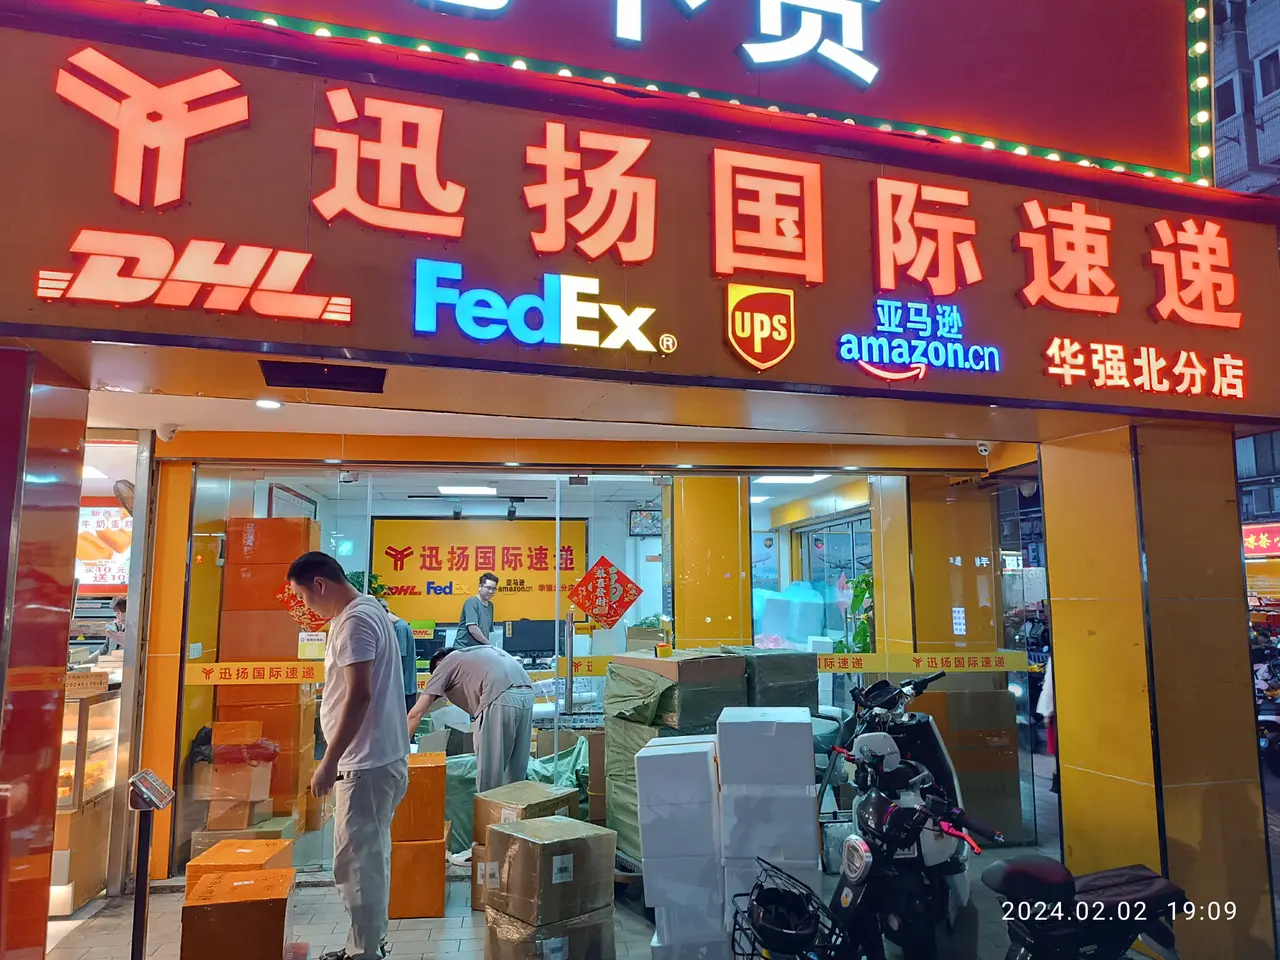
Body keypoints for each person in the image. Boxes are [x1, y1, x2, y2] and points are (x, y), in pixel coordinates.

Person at [288, 552, 409, 960]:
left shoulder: (356, 621)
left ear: (320, 585)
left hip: (366, 763)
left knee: (357, 865)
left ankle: (365, 953)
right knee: (367, 861)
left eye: (303, 597)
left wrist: (329, 761)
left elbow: (359, 695)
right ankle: (368, 944)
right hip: (378, 758)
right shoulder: (369, 609)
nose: (306, 607)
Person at [408, 645, 534, 792]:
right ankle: (516, 812)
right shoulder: (474, 656)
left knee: (490, 776)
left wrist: (400, 756)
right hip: (527, 692)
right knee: (516, 774)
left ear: (438, 665)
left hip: (499, 695)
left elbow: (415, 715)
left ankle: (488, 813)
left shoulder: (446, 664)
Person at [379, 598, 419, 714]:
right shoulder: (400, 626)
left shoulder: (399, 628)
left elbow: (398, 660)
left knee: (403, 727)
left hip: (403, 689)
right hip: (403, 688)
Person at [454, 571, 498, 647]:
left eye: (494, 589)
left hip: (479, 649)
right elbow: (473, 629)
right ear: (480, 587)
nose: (491, 591)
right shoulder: (472, 602)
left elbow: (486, 631)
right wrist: (489, 645)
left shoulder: (490, 606)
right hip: (464, 649)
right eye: (488, 588)